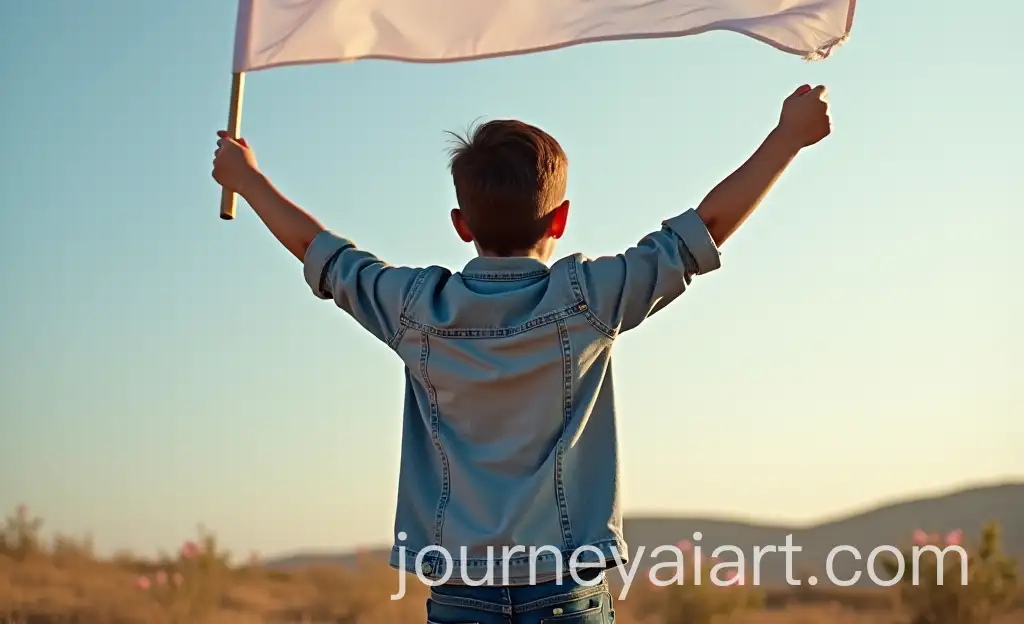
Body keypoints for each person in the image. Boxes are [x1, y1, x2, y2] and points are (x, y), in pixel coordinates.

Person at [212, 83, 831, 623]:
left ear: (461, 223)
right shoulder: (590, 296)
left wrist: (248, 180)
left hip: (460, 593)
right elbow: (704, 230)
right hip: (566, 589)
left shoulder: (414, 307)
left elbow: (321, 253)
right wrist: (786, 139)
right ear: (560, 219)